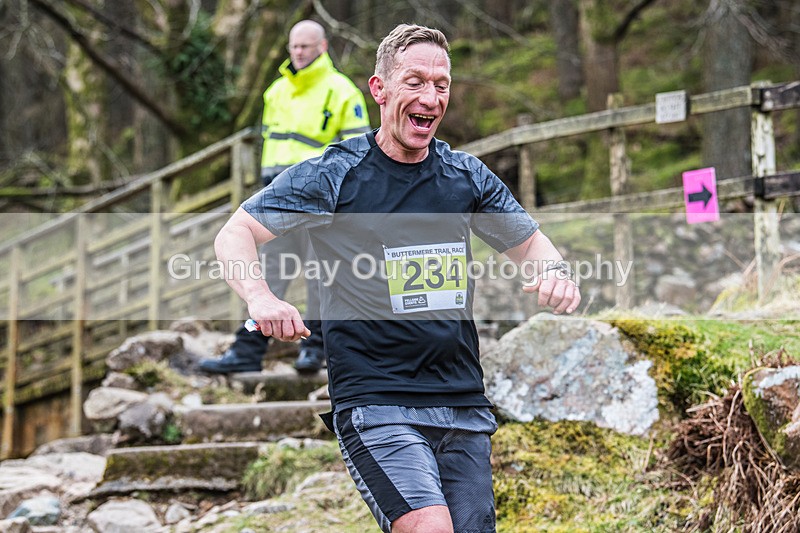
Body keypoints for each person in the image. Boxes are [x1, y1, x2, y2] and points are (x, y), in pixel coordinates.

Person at [213, 23, 581, 533]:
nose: (431, 96)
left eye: (442, 84)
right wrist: (259, 297)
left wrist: (556, 272)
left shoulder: (465, 176)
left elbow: (532, 243)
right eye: (415, 81)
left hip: (460, 401)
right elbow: (235, 233)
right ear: (379, 90)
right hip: (376, 399)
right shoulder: (333, 174)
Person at [199, 20, 371, 374]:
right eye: (293, 46)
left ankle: (314, 349)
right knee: (267, 276)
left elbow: (359, 151)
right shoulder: (275, 91)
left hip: (323, 199)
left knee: (320, 275)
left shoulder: (341, 91)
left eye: (305, 46)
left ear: (322, 47)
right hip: (276, 197)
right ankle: (247, 349)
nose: (298, 52)